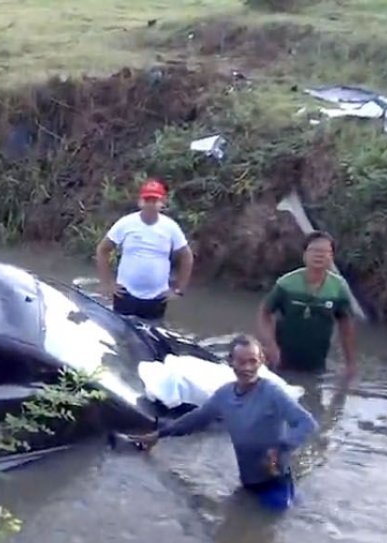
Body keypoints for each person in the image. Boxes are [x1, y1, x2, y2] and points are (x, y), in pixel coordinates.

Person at [128, 335, 318, 510]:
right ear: (230, 362)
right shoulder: (224, 395)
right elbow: (195, 420)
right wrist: (159, 435)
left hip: (275, 484)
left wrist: (280, 448)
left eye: (253, 361)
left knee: (267, 532)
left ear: (261, 362)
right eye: (241, 362)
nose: (247, 368)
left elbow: (307, 423)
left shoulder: (272, 393)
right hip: (248, 482)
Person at [256, 231, 358, 377]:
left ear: (332, 256)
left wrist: (350, 364)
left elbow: (346, 325)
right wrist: (271, 345)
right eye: (314, 250)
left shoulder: (338, 288)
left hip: (317, 362)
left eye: (324, 251)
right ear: (304, 255)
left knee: (314, 394)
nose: (319, 255)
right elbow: (265, 312)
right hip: (281, 361)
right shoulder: (286, 283)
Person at [95, 179, 194, 321]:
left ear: (162, 202)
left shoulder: (170, 227)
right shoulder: (126, 223)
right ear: (140, 202)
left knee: (152, 338)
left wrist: (178, 290)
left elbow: (187, 257)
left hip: (157, 297)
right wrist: (107, 284)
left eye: (155, 200)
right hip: (125, 294)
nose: (151, 204)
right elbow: (103, 250)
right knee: (122, 337)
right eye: (147, 200)